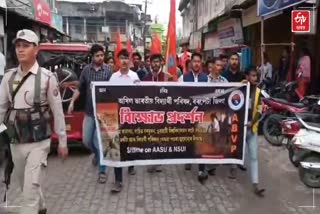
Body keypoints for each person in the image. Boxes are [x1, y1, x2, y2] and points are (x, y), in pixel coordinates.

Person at [0, 29, 68, 214]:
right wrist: (3, 134)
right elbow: (1, 110)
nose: (20, 50)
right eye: (18, 46)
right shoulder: (8, 78)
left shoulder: (47, 78)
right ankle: (41, 205)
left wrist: (62, 141)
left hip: (39, 141)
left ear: (36, 49)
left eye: (26, 46)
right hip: (16, 140)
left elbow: (57, 111)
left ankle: (32, 207)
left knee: (29, 191)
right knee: (25, 183)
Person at [68, 44, 112, 184]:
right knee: (87, 141)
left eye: (101, 55)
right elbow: (79, 89)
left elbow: (113, 90)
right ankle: (97, 155)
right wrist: (71, 102)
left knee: (99, 143)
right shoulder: (86, 71)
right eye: (97, 56)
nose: (100, 58)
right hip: (89, 112)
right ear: (92, 57)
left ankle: (102, 171)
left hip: (104, 113)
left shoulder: (108, 70)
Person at [109, 49, 139, 192]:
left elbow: (140, 97)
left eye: (126, 58)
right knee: (117, 149)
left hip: (131, 118)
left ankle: (131, 164)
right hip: (116, 118)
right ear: (118, 60)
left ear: (130, 60)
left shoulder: (135, 76)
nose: (124, 61)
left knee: (128, 145)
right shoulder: (113, 77)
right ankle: (118, 180)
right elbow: (107, 96)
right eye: (121, 58)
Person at [179, 52, 208, 183]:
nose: (196, 63)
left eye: (198, 61)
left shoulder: (206, 79)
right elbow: (177, 95)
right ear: (191, 63)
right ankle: (188, 159)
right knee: (189, 139)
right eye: (194, 61)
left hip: (201, 115)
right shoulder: (183, 78)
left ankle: (202, 169)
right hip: (188, 115)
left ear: (201, 63)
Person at [244, 67, 266, 197]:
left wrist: (252, 122)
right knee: (238, 155)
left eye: (256, 76)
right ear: (247, 77)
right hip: (240, 128)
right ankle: (233, 169)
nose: (255, 78)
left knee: (253, 157)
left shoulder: (258, 92)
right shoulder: (240, 88)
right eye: (252, 76)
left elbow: (259, 110)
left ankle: (255, 185)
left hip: (252, 129)